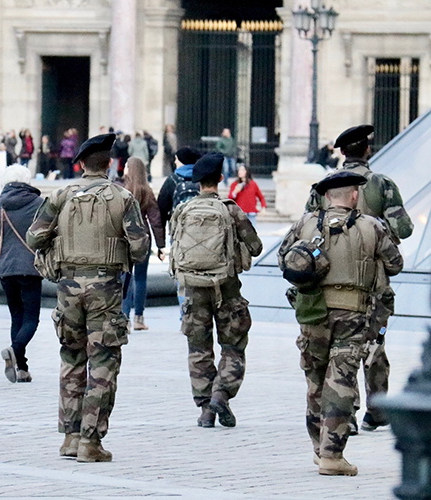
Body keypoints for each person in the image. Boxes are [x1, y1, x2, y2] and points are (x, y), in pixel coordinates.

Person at [26, 133, 149, 463]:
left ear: (80, 164)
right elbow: (140, 248)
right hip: (106, 291)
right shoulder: (122, 198)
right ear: (109, 163)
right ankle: (90, 442)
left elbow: (34, 237)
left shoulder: (62, 195)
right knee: (103, 363)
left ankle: (70, 436)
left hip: (67, 290)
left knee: (71, 360)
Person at [278, 170, 403, 476]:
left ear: (326, 197)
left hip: (311, 313)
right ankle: (333, 455)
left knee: (315, 380)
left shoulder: (305, 223)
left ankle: (320, 449)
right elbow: (396, 264)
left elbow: (284, 259)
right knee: (341, 380)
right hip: (352, 315)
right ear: (354, 195)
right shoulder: (370, 226)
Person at [305, 124, 413, 434]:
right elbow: (403, 228)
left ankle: (346, 413)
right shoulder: (382, 184)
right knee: (375, 341)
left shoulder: (323, 186)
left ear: (341, 153)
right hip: (375, 286)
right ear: (367, 150)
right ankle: (376, 408)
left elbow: (307, 226)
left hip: (331, 282)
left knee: (340, 347)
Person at [170, 152, 263, 429]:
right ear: (220, 179)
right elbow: (256, 246)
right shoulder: (230, 209)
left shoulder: (183, 210)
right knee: (233, 346)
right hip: (227, 288)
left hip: (193, 289)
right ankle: (221, 394)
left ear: (197, 181)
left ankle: (205, 409)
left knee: (198, 348)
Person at [0, 164, 44, 383]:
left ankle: (22, 369)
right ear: (27, 181)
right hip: (30, 267)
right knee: (31, 318)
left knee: (16, 316)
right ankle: (15, 349)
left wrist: (5, 253)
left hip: (6, 269)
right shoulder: (39, 204)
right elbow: (48, 234)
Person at [123, 157, 165, 330]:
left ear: (130, 170)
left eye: (126, 166)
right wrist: (160, 245)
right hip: (143, 238)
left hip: (125, 237)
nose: (124, 168)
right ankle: (139, 318)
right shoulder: (147, 190)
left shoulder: (121, 190)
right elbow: (155, 220)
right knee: (140, 278)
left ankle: (124, 318)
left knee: (125, 277)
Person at [158, 146, 202, 233]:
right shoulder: (202, 178)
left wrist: (161, 237)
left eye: (176, 159)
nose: (175, 162)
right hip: (200, 228)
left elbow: (162, 207)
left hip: (178, 230)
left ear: (182, 161)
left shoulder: (173, 180)